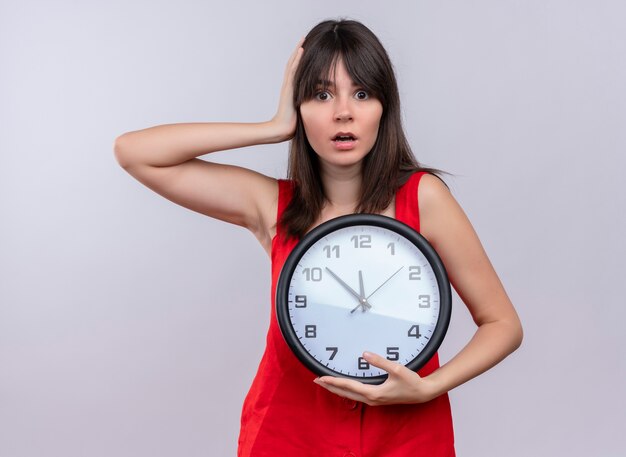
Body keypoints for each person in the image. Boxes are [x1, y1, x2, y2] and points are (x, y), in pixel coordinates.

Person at [114, 18, 523, 457]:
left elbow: (503, 325)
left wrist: (427, 388)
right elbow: (135, 153)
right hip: (288, 435)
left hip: (405, 436)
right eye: (321, 94)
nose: (343, 111)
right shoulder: (271, 206)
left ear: (385, 107)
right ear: (299, 107)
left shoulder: (424, 198)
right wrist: (271, 127)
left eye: (361, 93)